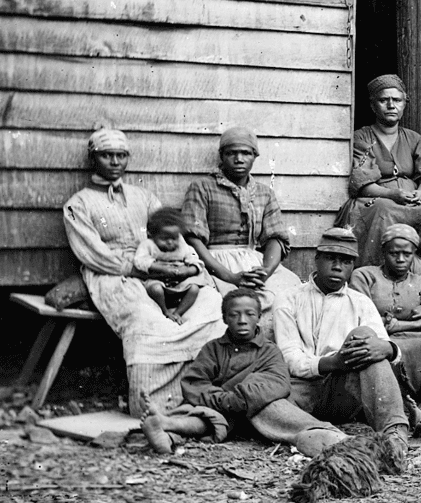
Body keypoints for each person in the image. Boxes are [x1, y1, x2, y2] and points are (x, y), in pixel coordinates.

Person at [63, 129, 224, 418]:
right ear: (93, 159)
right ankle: (155, 408)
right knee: (147, 319)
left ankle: (206, 395)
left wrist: (189, 265)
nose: (115, 162)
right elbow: (92, 254)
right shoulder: (78, 205)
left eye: (121, 155)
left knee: (210, 303)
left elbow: (174, 237)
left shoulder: (144, 197)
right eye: (107, 155)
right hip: (114, 274)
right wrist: (139, 268)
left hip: (161, 268)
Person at [139, 289, 337, 455]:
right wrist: (222, 400)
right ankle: (166, 432)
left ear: (259, 317)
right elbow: (194, 382)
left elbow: (277, 382)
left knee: (276, 409)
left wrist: (238, 399)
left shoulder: (269, 350)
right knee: (203, 415)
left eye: (249, 314)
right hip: (219, 409)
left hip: (254, 409)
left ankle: (320, 435)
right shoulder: (213, 348)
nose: (242, 320)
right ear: (225, 318)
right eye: (234, 315)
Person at [273, 227, 411, 455]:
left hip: (344, 391)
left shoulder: (360, 302)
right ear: (317, 259)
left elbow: (381, 347)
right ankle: (327, 435)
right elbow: (290, 357)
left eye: (346, 261)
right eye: (331, 258)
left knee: (365, 336)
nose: (337, 267)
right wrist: (334, 362)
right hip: (302, 390)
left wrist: (388, 348)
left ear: (353, 266)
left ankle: (394, 435)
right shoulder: (289, 298)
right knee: (267, 402)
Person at [182, 127, 301, 338]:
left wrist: (264, 272)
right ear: (222, 156)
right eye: (231, 153)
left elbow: (275, 238)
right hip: (213, 263)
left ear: (255, 156)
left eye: (245, 153)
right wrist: (229, 277)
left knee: (290, 293)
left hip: (254, 263)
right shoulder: (202, 187)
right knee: (214, 305)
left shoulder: (264, 193)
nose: (239, 159)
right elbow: (193, 238)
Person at [337, 75, 421, 266]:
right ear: (373, 105)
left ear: (404, 104)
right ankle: (377, 270)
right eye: (384, 100)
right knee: (383, 209)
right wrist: (393, 194)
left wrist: (420, 193)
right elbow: (363, 184)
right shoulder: (362, 137)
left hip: (413, 197)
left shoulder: (414, 139)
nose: (391, 105)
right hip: (380, 196)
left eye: (397, 100)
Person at [349, 224, 421, 393]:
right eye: (394, 253)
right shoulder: (365, 276)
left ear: (414, 254)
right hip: (379, 338)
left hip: (413, 339)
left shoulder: (420, 282)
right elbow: (360, 316)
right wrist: (412, 324)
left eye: (407, 254)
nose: (401, 259)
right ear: (383, 252)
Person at [133, 207, 210, 325]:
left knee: (194, 288)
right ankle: (165, 311)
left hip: (179, 282)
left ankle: (178, 312)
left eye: (174, 238)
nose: (170, 242)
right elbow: (140, 261)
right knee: (156, 289)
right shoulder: (148, 245)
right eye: (164, 239)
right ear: (152, 235)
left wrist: (188, 270)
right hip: (159, 280)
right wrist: (162, 268)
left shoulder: (181, 244)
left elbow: (194, 258)